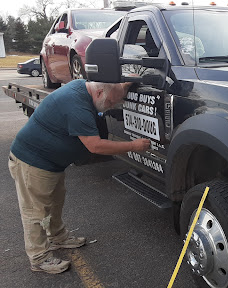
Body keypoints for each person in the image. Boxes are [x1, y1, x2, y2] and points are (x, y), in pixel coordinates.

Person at [8, 79, 150, 274]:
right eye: (110, 103)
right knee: (36, 211)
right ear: (99, 93)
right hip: (32, 163)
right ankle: (39, 257)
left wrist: (132, 79)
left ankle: (58, 238)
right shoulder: (76, 105)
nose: (110, 108)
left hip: (51, 164)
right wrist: (134, 146)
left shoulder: (90, 88)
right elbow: (95, 146)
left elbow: (119, 85)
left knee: (55, 201)